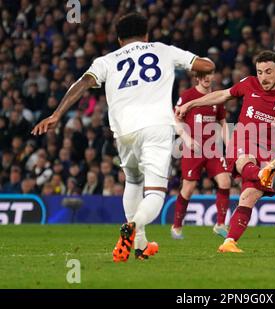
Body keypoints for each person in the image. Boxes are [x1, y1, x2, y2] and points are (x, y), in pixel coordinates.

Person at [31, 13, 215, 262]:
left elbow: (82, 84)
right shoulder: (163, 50)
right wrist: (199, 63)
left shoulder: (106, 60)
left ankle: (139, 245)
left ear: (119, 39)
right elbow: (206, 66)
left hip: (124, 131)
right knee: (155, 193)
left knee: (133, 180)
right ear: (147, 35)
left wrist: (56, 114)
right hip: (157, 127)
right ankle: (133, 226)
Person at [176, 51, 275, 252]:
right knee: (245, 159)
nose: (263, 77)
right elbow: (223, 94)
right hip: (243, 138)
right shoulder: (249, 83)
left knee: (249, 197)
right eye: (260, 72)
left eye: (268, 72)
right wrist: (191, 103)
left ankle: (229, 242)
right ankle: (261, 173)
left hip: (268, 150)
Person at [171, 71, 231, 239]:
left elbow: (223, 123)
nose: (206, 78)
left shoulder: (217, 97)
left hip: (213, 148)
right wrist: (186, 138)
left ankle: (220, 224)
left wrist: (231, 145)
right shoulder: (188, 95)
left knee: (225, 181)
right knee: (188, 189)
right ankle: (176, 227)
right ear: (197, 77)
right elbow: (176, 120)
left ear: (213, 77)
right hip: (193, 149)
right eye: (202, 75)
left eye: (209, 74)